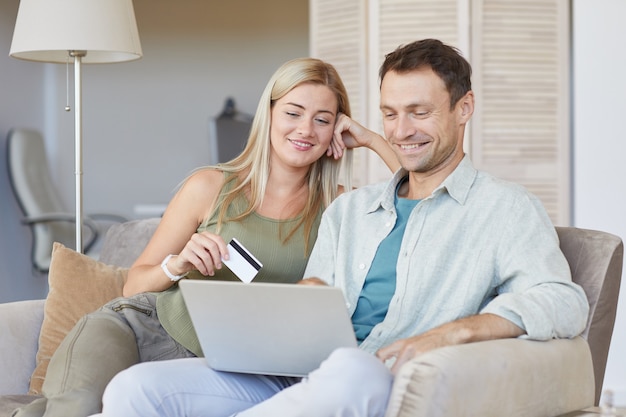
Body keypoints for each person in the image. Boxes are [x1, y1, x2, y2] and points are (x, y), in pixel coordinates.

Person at [93, 39, 590, 417]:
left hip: (371, 375)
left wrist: (455, 333)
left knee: (353, 370)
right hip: (293, 373)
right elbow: (317, 289)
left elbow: (562, 299)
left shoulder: (503, 208)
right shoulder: (351, 211)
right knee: (133, 389)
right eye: (390, 115)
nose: (402, 129)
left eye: (419, 112)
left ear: (464, 109)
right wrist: (281, 317)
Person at [13, 57, 399, 417]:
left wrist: (372, 140)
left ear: (337, 128)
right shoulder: (211, 186)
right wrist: (176, 265)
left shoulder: (339, 207)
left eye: (322, 119)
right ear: (268, 115)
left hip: (220, 367)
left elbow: (422, 206)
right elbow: (132, 284)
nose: (305, 130)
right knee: (75, 406)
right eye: (293, 113)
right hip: (139, 328)